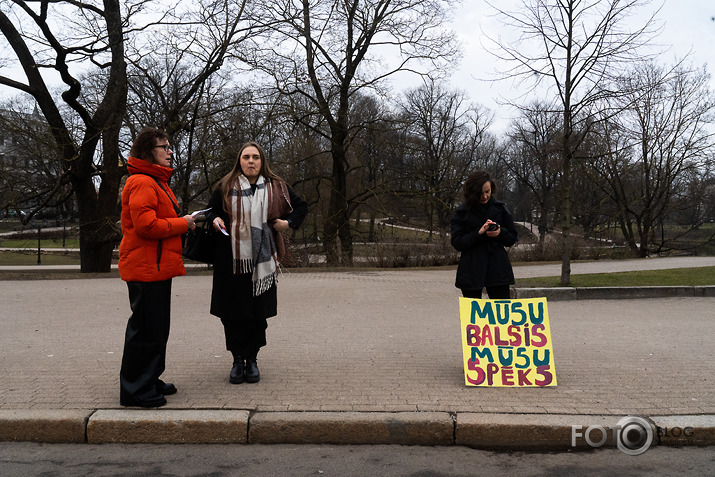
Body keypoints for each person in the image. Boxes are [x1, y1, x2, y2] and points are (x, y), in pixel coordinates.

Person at [205, 141, 307, 384]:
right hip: (231, 262)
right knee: (231, 314)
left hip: (262, 264)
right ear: (239, 161)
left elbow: (301, 206)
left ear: (262, 161)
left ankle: (252, 359)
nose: (251, 161)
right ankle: (236, 359)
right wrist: (215, 218)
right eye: (246, 157)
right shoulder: (225, 186)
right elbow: (209, 211)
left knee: (256, 314)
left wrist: (288, 223)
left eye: (255, 157)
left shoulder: (277, 187)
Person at [118, 127, 197, 408]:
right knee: (145, 330)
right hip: (145, 268)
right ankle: (134, 391)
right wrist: (183, 223)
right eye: (164, 147)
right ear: (148, 151)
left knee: (156, 329)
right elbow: (146, 225)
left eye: (169, 146)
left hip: (156, 267)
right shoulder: (141, 182)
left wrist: (182, 222)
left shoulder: (156, 181)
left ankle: (149, 379)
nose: (169, 151)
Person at [450, 170, 518, 299]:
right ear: (471, 193)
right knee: (473, 318)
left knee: (501, 316)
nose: (484, 196)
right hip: (471, 269)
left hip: (498, 268)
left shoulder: (501, 209)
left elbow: (512, 238)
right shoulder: (461, 213)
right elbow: (457, 242)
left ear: (492, 189)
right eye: (480, 193)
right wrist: (479, 233)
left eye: (487, 191)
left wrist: (500, 232)